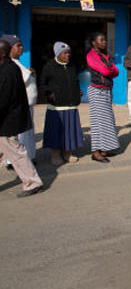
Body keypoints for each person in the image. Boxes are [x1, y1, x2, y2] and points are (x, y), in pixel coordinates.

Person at [0, 39, 43, 197]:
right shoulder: (8, 67)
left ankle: (33, 182)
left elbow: (3, 99)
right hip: (8, 119)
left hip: (7, 121)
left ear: (3, 53)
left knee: (17, 153)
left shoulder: (8, 70)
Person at [40, 42, 83, 165]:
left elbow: (75, 81)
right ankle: (55, 155)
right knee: (56, 131)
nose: (68, 55)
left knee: (69, 131)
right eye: (65, 53)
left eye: (69, 53)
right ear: (58, 54)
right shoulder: (49, 66)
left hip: (71, 105)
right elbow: (42, 85)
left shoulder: (72, 66)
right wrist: (50, 94)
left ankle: (67, 153)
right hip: (56, 107)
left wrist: (77, 91)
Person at [86, 32, 120, 163]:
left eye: (105, 40)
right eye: (101, 40)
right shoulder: (91, 56)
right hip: (97, 91)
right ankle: (96, 152)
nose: (104, 42)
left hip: (106, 90)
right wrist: (109, 70)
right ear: (94, 43)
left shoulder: (104, 56)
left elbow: (115, 71)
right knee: (98, 123)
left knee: (107, 121)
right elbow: (106, 71)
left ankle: (105, 148)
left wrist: (109, 69)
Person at [3, 35, 38, 163]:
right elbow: (16, 82)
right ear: (8, 48)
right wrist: (29, 73)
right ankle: (19, 160)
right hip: (19, 105)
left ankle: (24, 158)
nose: (21, 48)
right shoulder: (9, 65)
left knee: (26, 133)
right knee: (20, 134)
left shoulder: (18, 63)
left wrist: (29, 71)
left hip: (26, 105)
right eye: (18, 45)